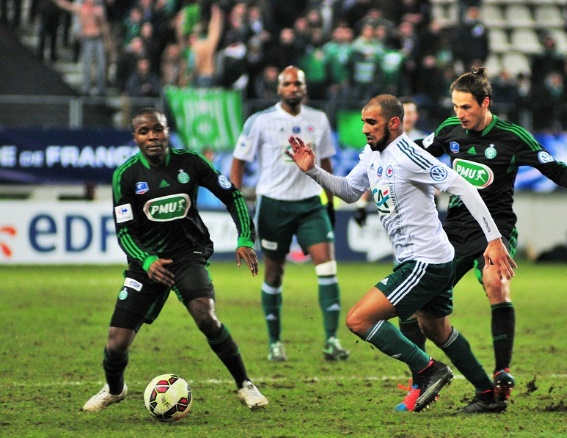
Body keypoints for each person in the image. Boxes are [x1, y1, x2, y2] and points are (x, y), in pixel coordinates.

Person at [395, 67, 567, 412]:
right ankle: (423, 380)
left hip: (496, 232)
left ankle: (502, 372)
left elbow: (555, 169)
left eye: (466, 107)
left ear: (485, 103)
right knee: (418, 310)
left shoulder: (513, 137)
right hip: (455, 230)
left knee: (495, 282)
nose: (459, 114)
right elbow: (413, 155)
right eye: (455, 107)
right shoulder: (449, 130)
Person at [285, 94, 517, 413]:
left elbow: (463, 186)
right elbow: (350, 192)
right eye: (363, 122)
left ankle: (428, 371)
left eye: (372, 123)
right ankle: (487, 394)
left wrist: (494, 239)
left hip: (426, 262)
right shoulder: (371, 154)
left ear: (394, 123)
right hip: (424, 259)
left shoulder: (410, 156)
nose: (365, 129)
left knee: (358, 319)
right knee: (437, 329)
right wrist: (313, 171)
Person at [82, 107, 268, 412]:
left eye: (158, 129)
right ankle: (115, 390)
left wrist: (245, 237)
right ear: (135, 137)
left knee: (205, 316)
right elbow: (124, 231)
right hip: (146, 262)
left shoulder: (190, 162)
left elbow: (232, 196)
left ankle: (245, 384)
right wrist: (146, 262)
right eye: (144, 131)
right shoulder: (126, 176)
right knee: (115, 344)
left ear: (168, 131)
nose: (152, 136)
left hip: (187, 254)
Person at [230, 66, 349, 363]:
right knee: (274, 273)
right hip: (273, 205)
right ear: (278, 89)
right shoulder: (260, 121)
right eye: (288, 83)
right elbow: (238, 161)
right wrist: (235, 200)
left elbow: (325, 163)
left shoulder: (318, 119)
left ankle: (332, 341)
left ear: (305, 89)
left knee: (327, 266)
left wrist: (330, 200)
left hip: (310, 204)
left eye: (298, 83)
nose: (294, 87)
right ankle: (274, 343)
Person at [353, 96, 428, 226]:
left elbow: (431, 173)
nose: (407, 118)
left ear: (416, 115)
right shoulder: (383, 140)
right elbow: (370, 172)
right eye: (405, 114)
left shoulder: (424, 141)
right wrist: (361, 205)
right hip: (390, 200)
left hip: (416, 203)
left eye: (410, 113)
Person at [53, 0, 109, 96]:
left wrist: (107, 41)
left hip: (98, 38)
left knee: (101, 65)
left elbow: (104, 26)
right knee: (87, 64)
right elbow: (67, 5)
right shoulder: (81, 9)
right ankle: (87, 89)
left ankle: (101, 90)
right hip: (87, 39)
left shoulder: (98, 9)